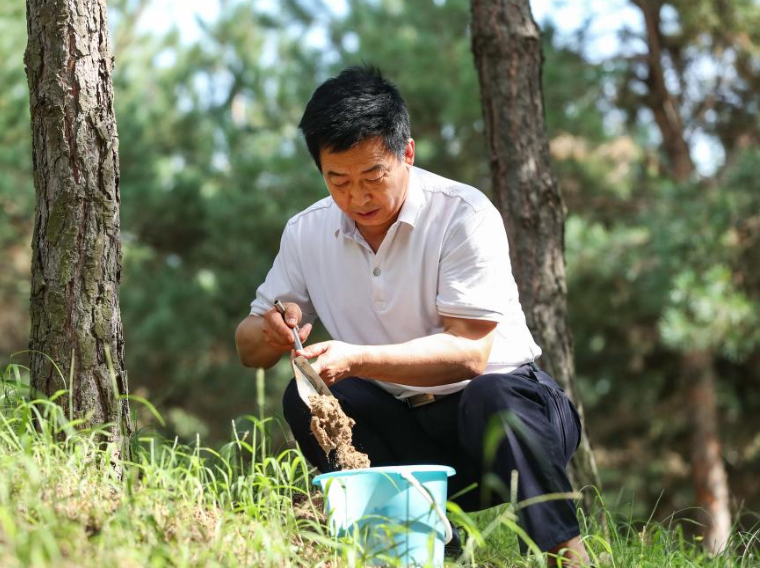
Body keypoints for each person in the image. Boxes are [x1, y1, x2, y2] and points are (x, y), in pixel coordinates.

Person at [235, 65, 589, 565]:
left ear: (407, 153)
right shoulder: (306, 232)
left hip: (508, 424)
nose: (358, 197)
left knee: (493, 395)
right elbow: (248, 348)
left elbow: (470, 354)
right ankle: (418, 543)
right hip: (407, 436)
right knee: (306, 397)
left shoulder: (463, 214)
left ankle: (567, 554)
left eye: (373, 176)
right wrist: (273, 330)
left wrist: (358, 359)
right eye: (338, 180)